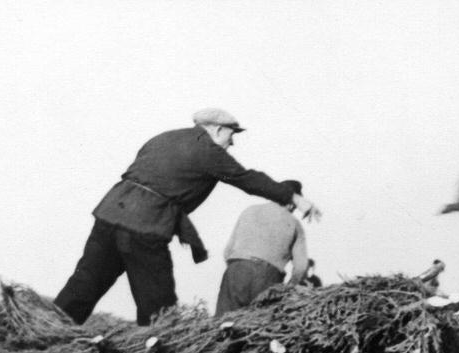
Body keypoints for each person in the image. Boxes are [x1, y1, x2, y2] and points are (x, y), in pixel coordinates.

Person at [54, 108, 320, 326]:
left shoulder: (164, 137)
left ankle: (48, 336)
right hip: (146, 225)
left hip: (110, 213)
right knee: (158, 305)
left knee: (84, 285)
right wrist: (293, 197)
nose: (232, 142)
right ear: (217, 129)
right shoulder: (208, 151)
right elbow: (246, 179)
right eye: (231, 134)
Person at [215, 181, 310, 314]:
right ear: (291, 203)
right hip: (268, 278)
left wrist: (239, 271)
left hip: (236, 270)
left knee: (224, 324)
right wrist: (289, 287)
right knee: (259, 328)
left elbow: (227, 252)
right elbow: (301, 267)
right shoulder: (295, 224)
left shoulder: (249, 211)